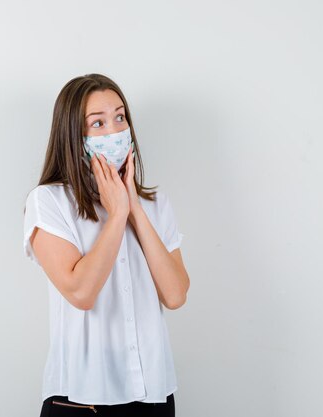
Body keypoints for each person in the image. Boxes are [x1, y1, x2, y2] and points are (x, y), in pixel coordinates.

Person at [22, 73, 190, 417]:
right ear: (74, 137)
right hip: (83, 399)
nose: (114, 131)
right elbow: (82, 293)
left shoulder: (155, 205)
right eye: (96, 123)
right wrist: (115, 217)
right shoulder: (49, 202)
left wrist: (133, 209)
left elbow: (175, 295)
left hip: (154, 396)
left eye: (119, 117)